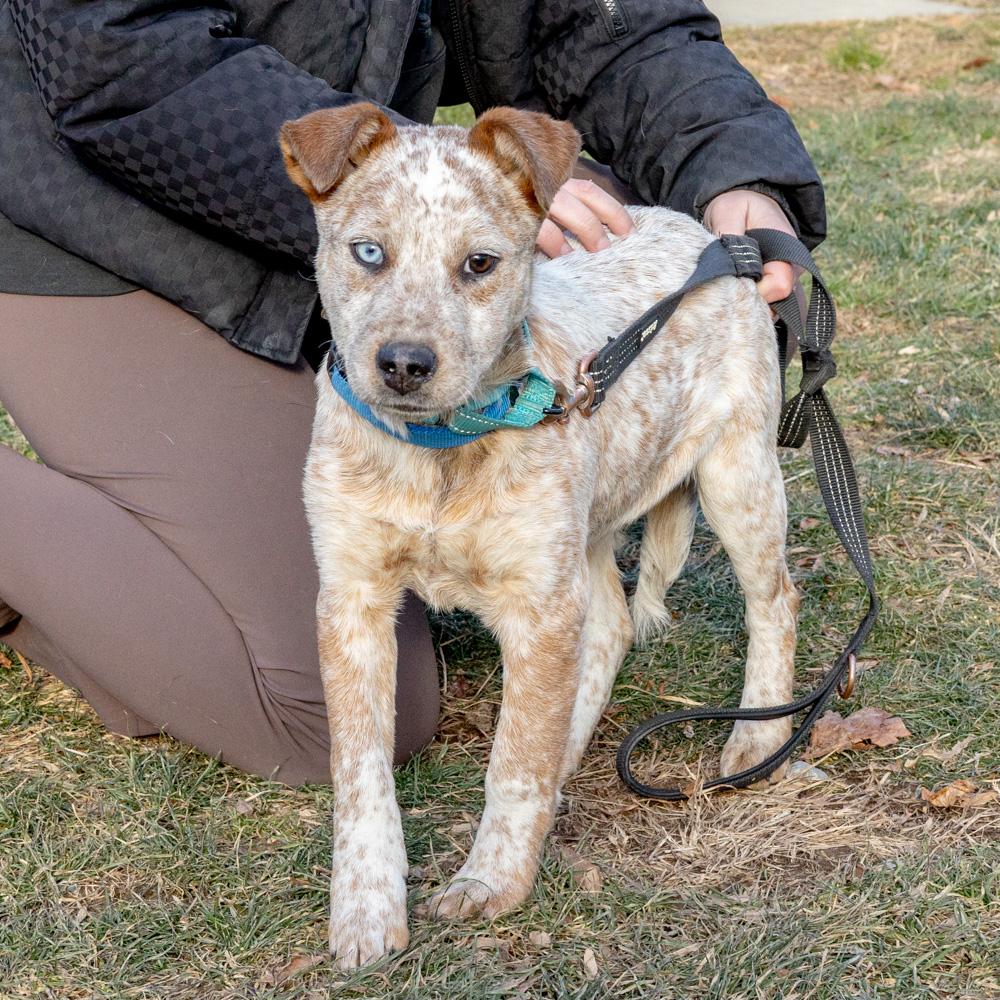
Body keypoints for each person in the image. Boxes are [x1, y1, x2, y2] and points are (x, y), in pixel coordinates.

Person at [0, 0, 825, 785]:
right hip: (95, 227)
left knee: (384, 707)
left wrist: (733, 171)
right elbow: (119, 50)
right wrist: (395, 184)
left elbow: (614, 21)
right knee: (305, 717)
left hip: (364, 254)